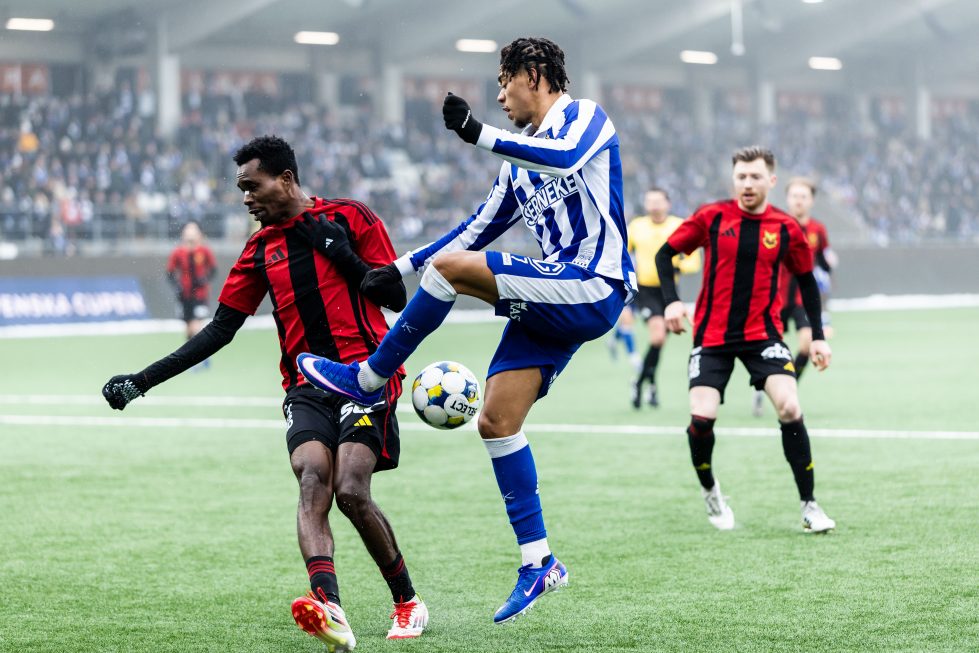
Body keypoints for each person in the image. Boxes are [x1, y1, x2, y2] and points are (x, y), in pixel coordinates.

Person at [296, 37, 636, 624]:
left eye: (505, 82)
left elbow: (562, 160)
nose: (500, 96)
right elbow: (477, 228)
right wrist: (400, 268)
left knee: (453, 273)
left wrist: (477, 133)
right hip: (554, 294)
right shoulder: (516, 164)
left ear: (535, 75)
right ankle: (539, 562)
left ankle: (369, 378)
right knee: (496, 421)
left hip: (592, 282)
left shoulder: (584, 118)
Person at [102, 135, 427, 651]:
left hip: (366, 376)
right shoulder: (259, 249)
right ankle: (330, 608)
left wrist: (340, 253)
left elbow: (395, 295)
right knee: (312, 478)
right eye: (242, 190)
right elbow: (219, 329)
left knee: (350, 489)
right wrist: (142, 381)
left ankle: (407, 602)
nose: (246, 199)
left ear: (286, 179)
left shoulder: (350, 217)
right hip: (305, 386)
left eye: (252, 187)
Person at [655, 146, 836, 534]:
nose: (747, 184)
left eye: (755, 177)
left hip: (763, 335)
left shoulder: (786, 228)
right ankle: (710, 491)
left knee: (790, 406)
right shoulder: (712, 216)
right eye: (741, 177)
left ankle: (810, 505)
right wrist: (671, 302)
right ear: (733, 179)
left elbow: (807, 282)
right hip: (712, 336)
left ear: (771, 180)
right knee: (701, 419)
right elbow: (664, 254)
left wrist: (818, 337)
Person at [752, 177, 837, 416]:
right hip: (774, 298)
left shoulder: (818, 230)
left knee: (807, 344)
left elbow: (824, 263)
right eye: (794, 196)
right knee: (767, 347)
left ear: (811, 201)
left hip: (802, 299)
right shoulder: (774, 225)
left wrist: (827, 265)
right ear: (787, 198)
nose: (798, 201)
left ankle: (788, 389)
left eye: (803, 196)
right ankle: (762, 387)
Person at [625, 187, 701, 408]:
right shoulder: (636, 226)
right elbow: (622, 254)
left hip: (669, 292)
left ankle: (645, 383)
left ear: (668, 203)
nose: (654, 205)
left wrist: (679, 266)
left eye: (658, 201)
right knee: (657, 338)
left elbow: (693, 258)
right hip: (646, 290)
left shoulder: (679, 225)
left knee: (659, 344)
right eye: (650, 201)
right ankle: (643, 384)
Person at [167, 221, 217, 343]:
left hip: (200, 294)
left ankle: (199, 350)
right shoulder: (178, 252)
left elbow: (213, 269)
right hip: (184, 295)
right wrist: (177, 286)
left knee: (197, 324)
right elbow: (170, 272)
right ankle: (192, 349)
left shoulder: (204, 251)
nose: (191, 233)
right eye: (188, 230)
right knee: (189, 327)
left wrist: (204, 279)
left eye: (194, 230)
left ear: (199, 234)